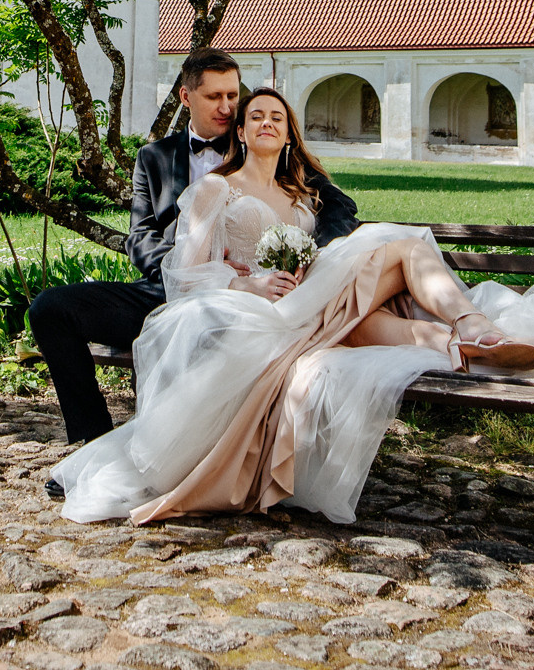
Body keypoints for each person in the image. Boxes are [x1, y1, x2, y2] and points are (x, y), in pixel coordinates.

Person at [49, 85, 534, 525]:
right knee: (399, 249)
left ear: (290, 131)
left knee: (382, 308)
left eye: (279, 116)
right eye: (257, 116)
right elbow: (181, 274)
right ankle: (496, 330)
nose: (268, 122)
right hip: (258, 314)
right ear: (242, 133)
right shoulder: (214, 189)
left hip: (315, 304)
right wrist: (244, 285)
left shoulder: (304, 198)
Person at [27, 49, 360, 447]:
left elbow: (341, 209)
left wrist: (304, 253)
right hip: (163, 289)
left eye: (233, 96)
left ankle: (169, 447)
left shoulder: (268, 151)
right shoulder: (154, 158)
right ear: (186, 98)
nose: (227, 107)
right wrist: (186, 270)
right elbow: (141, 234)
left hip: (244, 302)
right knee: (49, 310)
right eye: (214, 97)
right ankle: (92, 438)